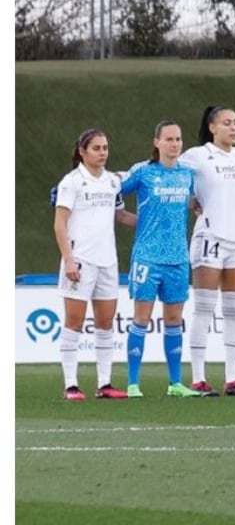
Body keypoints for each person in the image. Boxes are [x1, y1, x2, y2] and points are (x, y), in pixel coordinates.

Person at [118, 121, 207, 398]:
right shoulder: (143, 172)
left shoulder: (187, 174)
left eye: (178, 139)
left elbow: (194, 202)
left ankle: (175, 383)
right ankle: (133, 383)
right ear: (156, 142)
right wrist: (126, 217)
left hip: (178, 258)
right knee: (141, 318)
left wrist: (196, 206)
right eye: (169, 139)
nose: (175, 144)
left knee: (174, 319)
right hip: (148, 257)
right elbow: (112, 191)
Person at [52, 128, 135, 400]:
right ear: (82, 151)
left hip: (107, 260)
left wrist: (153, 220)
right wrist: (69, 260)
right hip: (80, 260)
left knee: (105, 323)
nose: (102, 153)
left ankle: (105, 384)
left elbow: (120, 216)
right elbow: (60, 223)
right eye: (96, 148)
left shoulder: (112, 182)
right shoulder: (72, 182)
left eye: (105, 148)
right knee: (74, 322)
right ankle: (71, 385)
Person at [180, 104, 235, 396]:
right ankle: (198, 378)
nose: (233, 127)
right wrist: (190, 199)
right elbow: (170, 171)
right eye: (226, 123)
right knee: (204, 309)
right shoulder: (198, 155)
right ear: (212, 127)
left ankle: (232, 379)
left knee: (234, 311)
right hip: (210, 237)